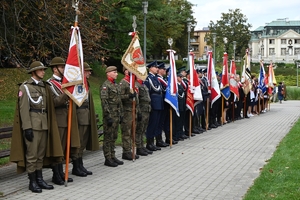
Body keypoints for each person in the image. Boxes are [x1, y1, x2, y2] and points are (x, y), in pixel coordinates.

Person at [10, 61, 64, 193]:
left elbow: (50, 106)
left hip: (44, 124)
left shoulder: (43, 87)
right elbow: (23, 110)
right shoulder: (25, 87)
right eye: (41, 70)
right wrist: (27, 128)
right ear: (34, 72)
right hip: (33, 126)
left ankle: (40, 179)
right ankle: (32, 181)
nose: (43, 72)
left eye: (44, 70)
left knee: (40, 155)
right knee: (32, 155)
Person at [47, 57, 82, 185]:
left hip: (67, 118)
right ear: (55, 69)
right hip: (59, 119)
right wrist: (67, 93)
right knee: (59, 147)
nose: (64, 69)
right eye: (61, 67)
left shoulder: (64, 82)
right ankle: (56, 174)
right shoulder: (49, 84)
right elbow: (54, 102)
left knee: (66, 147)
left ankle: (62, 172)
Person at [75, 62, 100, 175]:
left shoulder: (86, 83)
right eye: (87, 70)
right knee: (79, 142)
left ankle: (80, 164)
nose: (90, 72)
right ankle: (76, 166)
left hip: (86, 115)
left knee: (83, 142)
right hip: (80, 116)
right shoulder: (78, 83)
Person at [100, 66, 124, 167]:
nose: (116, 74)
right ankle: (108, 158)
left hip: (116, 114)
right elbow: (104, 102)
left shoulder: (116, 85)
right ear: (108, 73)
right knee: (108, 137)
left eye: (116, 72)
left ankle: (113, 155)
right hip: (110, 115)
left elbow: (119, 101)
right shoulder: (105, 86)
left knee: (114, 136)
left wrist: (121, 114)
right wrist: (108, 116)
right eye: (114, 72)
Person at [119, 67, 139, 160]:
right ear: (125, 71)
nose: (130, 72)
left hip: (133, 110)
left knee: (132, 131)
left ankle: (130, 150)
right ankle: (126, 151)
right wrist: (129, 96)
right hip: (126, 111)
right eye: (128, 70)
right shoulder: (124, 82)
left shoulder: (133, 82)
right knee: (126, 132)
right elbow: (120, 96)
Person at [144, 61, 164, 151]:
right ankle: (149, 143)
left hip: (159, 103)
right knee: (152, 124)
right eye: (155, 67)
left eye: (157, 67)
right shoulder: (148, 78)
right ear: (150, 68)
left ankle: (154, 142)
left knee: (156, 123)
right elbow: (148, 91)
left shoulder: (155, 78)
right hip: (153, 103)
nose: (157, 69)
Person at [135, 77, 153, 155]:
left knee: (143, 129)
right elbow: (137, 100)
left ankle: (142, 146)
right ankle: (139, 147)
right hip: (141, 110)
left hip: (147, 109)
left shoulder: (143, 85)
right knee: (139, 129)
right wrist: (138, 111)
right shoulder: (136, 85)